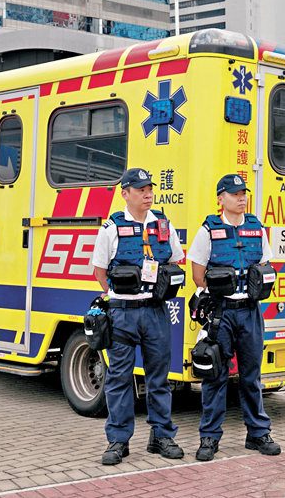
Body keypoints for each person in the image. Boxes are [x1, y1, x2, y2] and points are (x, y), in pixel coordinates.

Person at [92, 167, 185, 465]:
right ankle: (118, 441)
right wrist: (121, 296)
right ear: (125, 193)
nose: (148, 193)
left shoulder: (163, 225)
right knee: (119, 377)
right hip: (123, 314)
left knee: (159, 378)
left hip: (156, 312)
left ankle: (161, 436)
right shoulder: (111, 229)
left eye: (150, 188)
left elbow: (176, 260)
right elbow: (100, 272)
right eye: (141, 189)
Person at [187, 173, 281, 461]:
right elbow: (197, 275)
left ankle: (257, 434)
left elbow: (264, 266)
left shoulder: (256, 228)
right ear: (221, 199)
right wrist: (220, 288)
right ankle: (209, 438)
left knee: (251, 376)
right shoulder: (208, 230)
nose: (242, 198)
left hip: (250, 312)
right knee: (215, 376)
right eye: (235, 194)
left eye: (244, 194)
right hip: (221, 314)